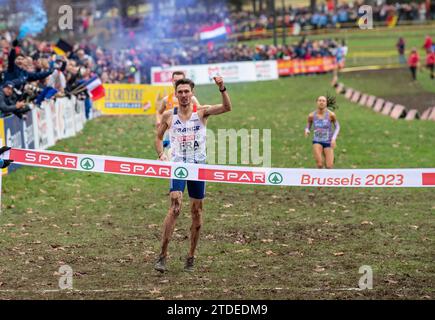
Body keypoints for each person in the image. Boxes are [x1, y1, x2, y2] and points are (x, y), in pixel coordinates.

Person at [154, 76, 232, 273]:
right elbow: (158, 137)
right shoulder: (169, 116)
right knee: (175, 205)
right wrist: (162, 154)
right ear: (176, 94)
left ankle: (191, 256)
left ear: (192, 93)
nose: (183, 95)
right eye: (180, 92)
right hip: (179, 165)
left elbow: (226, 107)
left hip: (198, 166)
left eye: (186, 92)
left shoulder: (201, 113)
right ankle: (162, 256)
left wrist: (221, 87)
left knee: (196, 212)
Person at [155, 71, 200, 159]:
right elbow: (159, 112)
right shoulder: (166, 99)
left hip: (185, 133)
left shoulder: (192, 99)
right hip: (169, 133)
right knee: (165, 158)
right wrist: (158, 121)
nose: (177, 82)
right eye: (175, 80)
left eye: (179, 80)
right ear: (172, 81)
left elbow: (199, 113)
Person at [305, 95, 340, 169]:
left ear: (326, 103)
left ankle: (327, 179)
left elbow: (337, 127)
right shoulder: (311, 115)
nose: (321, 102)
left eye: (323, 101)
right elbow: (308, 125)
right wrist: (307, 130)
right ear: (316, 102)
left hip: (328, 142)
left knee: (329, 166)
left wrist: (333, 139)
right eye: (320, 100)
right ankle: (318, 179)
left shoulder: (331, 115)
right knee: (320, 165)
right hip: (317, 141)